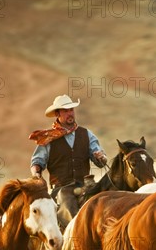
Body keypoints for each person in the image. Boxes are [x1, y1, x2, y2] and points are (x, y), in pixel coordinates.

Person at [29, 94, 107, 227]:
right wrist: (36, 175)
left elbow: (100, 160)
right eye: (66, 111)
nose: (70, 113)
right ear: (57, 114)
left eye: (71, 110)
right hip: (61, 189)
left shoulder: (86, 134)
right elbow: (37, 162)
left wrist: (101, 157)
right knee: (68, 208)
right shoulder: (48, 138)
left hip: (86, 185)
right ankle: (74, 236)